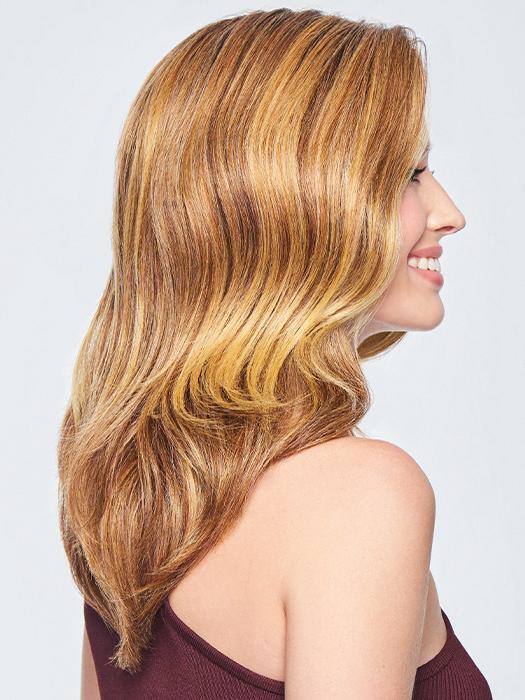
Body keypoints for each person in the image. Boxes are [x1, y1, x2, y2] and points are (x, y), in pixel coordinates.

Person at [58, 8, 493, 698]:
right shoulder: (358, 493)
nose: (449, 213)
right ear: (297, 200)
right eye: (409, 174)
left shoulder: (135, 498)